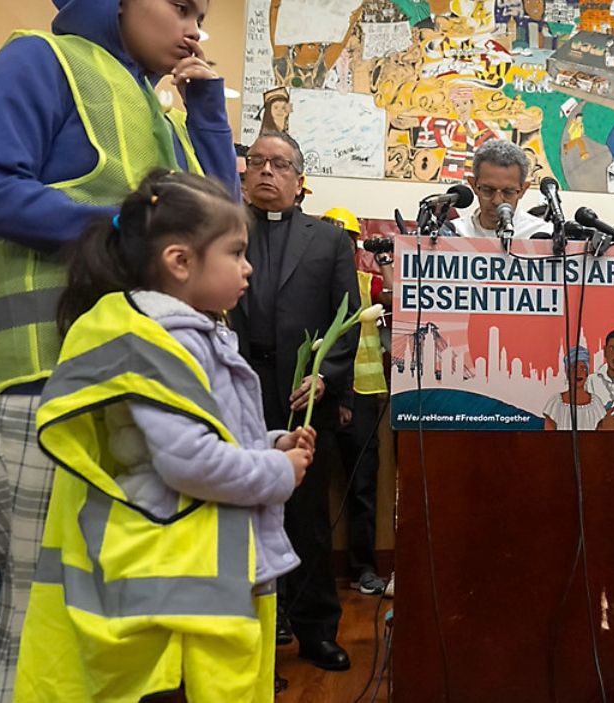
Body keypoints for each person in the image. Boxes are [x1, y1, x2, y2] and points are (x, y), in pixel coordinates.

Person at [0, 0, 237, 697]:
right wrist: (119, 228)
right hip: (42, 377)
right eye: (180, 6)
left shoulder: (166, 111)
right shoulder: (39, 59)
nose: (195, 27)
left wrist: (206, 109)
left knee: (106, 617)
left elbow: (222, 237)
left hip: (142, 384)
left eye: (202, 13)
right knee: (39, 610)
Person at [14, 171, 311, 700]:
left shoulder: (189, 334)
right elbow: (189, 463)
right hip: (172, 592)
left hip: (190, 578)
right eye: (237, 253)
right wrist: (276, 473)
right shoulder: (161, 344)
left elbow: (204, 433)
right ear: (180, 262)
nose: (248, 267)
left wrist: (267, 445)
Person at [233, 131, 361, 672]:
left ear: (299, 180)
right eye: (257, 161)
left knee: (306, 518)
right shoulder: (222, 229)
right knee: (237, 513)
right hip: (237, 387)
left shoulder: (329, 241)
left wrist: (327, 378)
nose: (266, 171)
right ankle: (251, 640)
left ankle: (315, 629)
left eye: (279, 164)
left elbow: (349, 320)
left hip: (302, 395)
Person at [320, 206, 389, 597]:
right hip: (321, 395)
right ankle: (310, 573)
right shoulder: (309, 281)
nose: (339, 247)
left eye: (345, 240)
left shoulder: (366, 282)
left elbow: (397, 299)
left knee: (362, 487)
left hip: (362, 397)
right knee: (309, 490)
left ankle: (363, 568)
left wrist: (385, 263)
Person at [450, 138, 551, 239]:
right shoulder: (453, 233)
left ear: (523, 190)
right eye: (488, 190)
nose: (497, 201)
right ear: (473, 185)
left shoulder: (542, 235)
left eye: (508, 192)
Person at [542, 346, 608, 430]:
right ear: (567, 372)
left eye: (583, 368)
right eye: (574, 368)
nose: (578, 372)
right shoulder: (556, 402)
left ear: (587, 373)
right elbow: (548, 436)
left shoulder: (596, 404)